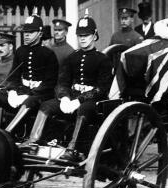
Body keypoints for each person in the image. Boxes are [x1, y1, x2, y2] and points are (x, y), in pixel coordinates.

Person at [20, 15, 112, 161]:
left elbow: (101, 89)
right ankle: (33, 141)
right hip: (71, 98)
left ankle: (72, 148)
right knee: (46, 105)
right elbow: (62, 82)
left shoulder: (103, 59)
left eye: (86, 35)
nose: (82, 38)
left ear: (94, 36)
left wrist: (79, 100)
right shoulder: (72, 58)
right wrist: (64, 97)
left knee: (84, 109)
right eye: (80, 35)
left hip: (93, 102)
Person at [0, 14, 58, 133]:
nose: (26, 35)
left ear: (40, 33)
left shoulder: (48, 54)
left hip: (41, 95)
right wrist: (12, 91)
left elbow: (50, 83)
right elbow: (13, 76)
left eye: (31, 32)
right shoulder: (20, 51)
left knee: (29, 101)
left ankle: (7, 133)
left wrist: (29, 93)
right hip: (22, 91)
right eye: (25, 32)